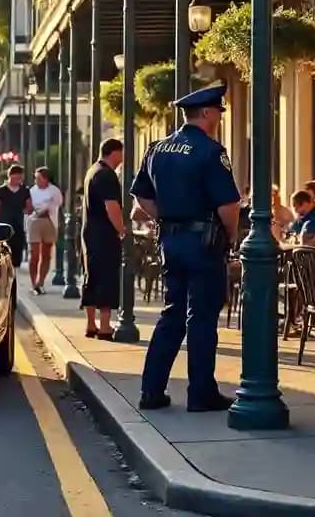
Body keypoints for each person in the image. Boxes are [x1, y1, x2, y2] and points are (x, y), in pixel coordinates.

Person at [133, 84, 242, 413]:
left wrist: (165, 219)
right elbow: (229, 205)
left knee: (173, 314)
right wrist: (231, 236)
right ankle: (201, 393)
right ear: (207, 113)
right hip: (204, 242)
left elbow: (142, 197)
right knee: (203, 317)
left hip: (170, 241)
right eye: (219, 113)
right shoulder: (210, 151)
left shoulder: (156, 149)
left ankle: (151, 391)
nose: (220, 118)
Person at [81, 140, 124, 339]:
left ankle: (91, 324)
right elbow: (111, 206)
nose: (123, 157)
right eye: (121, 153)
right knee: (107, 277)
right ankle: (105, 327)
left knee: (91, 275)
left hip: (89, 232)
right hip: (105, 234)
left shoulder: (92, 171)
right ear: (114, 153)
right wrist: (121, 229)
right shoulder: (107, 175)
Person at [0, 164, 34, 271]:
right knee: (3, 248)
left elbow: (29, 208)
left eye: (20, 177)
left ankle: (15, 268)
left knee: (17, 249)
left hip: (18, 225)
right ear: (11, 176)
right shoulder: (2, 190)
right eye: (17, 177)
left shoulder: (24, 191)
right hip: (4, 224)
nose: (19, 179)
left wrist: (24, 210)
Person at [27, 167, 64, 293]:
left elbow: (57, 204)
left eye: (39, 178)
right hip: (34, 222)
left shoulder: (54, 191)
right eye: (35, 178)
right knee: (34, 254)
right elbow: (28, 207)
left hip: (49, 222)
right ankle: (33, 282)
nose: (36, 180)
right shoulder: (32, 191)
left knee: (46, 254)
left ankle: (40, 281)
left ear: (46, 179)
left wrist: (46, 208)